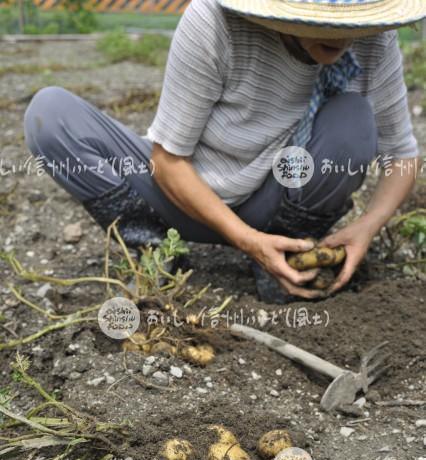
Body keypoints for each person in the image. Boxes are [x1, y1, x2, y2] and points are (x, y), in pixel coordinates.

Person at [24, 0, 424, 302]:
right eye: (321, 24)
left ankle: (288, 251)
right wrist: (246, 240)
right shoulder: (214, 21)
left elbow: (402, 154)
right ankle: (156, 250)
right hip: (179, 197)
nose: (341, 39)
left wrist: (367, 227)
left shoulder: (374, 38)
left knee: (352, 117)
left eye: (349, 26)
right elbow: (168, 161)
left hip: (274, 203)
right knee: (50, 114)